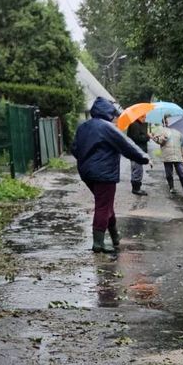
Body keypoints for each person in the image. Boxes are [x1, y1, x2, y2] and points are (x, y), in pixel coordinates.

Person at [71, 98, 150, 254]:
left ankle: (115, 236)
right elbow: (126, 145)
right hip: (104, 173)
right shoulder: (107, 127)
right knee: (103, 206)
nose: (114, 117)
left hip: (86, 172)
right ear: (107, 113)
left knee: (105, 203)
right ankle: (98, 244)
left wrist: (87, 160)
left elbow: (74, 149)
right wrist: (144, 158)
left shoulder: (83, 127)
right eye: (113, 114)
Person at [152, 115, 183, 194]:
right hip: (167, 154)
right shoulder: (161, 129)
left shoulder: (178, 130)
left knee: (181, 172)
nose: (169, 121)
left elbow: (182, 143)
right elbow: (156, 140)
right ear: (164, 121)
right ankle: (171, 188)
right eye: (167, 120)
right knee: (169, 173)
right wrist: (163, 138)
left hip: (178, 154)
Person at [125, 114, 151, 195]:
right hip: (136, 151)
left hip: (137, 151)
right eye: (143, 117)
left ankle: (136, 187)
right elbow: (137, 138)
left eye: (145, 117)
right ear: (137, 116)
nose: (144, 118)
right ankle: (136, 189)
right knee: (137, 169)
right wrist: (147, 137)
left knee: (137, 168)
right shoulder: (134, 125)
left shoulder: (138, 124)